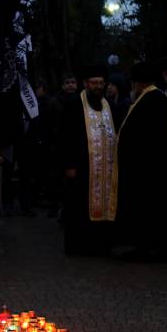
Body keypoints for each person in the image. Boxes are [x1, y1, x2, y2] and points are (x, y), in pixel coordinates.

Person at [115, 61, 167, 261]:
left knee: (147, 208)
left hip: (147, 167)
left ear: (138, 83)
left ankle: (148, 247)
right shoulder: (148, 97)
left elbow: (150, 136)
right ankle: (142, 245)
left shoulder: (153, 98)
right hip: (141, 166)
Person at [59, 65, 117, 256]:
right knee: (78, 206)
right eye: (94, 83)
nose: (98, 87)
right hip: (81, 167)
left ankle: (99, 244)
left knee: (102, 205)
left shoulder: (107, 105)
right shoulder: (74, 103)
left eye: (101, 83)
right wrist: (69, 165)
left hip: (103, 170)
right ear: (85, 84)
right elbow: (65, 136)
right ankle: (78, 246)